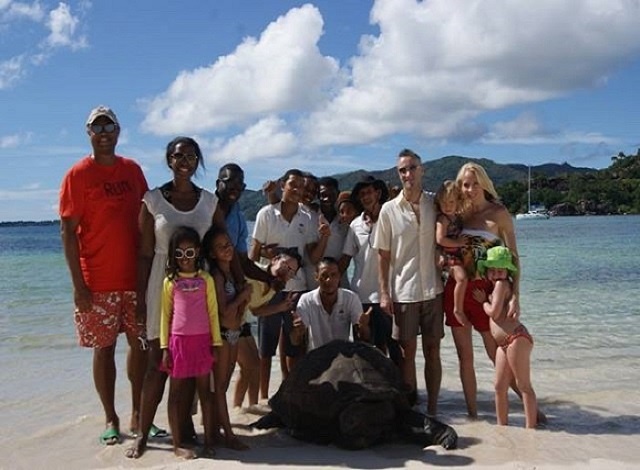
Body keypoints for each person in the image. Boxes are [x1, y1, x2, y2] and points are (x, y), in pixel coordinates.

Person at [127, 136, 225, 459]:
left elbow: (221, 245)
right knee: (157, 364)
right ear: (169, 160)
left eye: (191, 156)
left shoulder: (209, 202)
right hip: (160, 284)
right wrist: (141, 300)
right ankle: (142, 433)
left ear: (198, 162)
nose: (184, 161)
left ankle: (183, 431)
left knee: (188, 364)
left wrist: (230, 283)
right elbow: (143, 254)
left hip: (196, 291)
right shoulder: (153, 200)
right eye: (178, 155)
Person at [59, 105, 148, 446]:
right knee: (103, 351)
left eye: (109, 125)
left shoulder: (133, 171)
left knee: (140, 346)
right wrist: (78, 286)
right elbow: (67, 232)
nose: (104, 132)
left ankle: (139, 412)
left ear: (119, 130)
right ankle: (110, 418)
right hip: (95, 282)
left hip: (134, 279)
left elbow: (147, 220)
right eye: (98, 128)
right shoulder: (77, 175)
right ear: (89, 134)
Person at [444, 162, 523, 419]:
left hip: (486, 294)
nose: (470, 189)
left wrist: (515, 296)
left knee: (498, 353)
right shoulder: (459, 214)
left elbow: (514, 258)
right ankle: (473, 416)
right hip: (456, 290)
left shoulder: (498, 214)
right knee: (465, 358)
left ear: (484, 184)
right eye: (465, 185)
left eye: (475, 184)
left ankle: (528, 401)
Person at [373, 149, 444, 415]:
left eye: (412, 168)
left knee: (433, 350)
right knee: (407, 354)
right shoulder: (389, 210)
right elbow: (383, 255)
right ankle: (411, 408)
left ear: (422, 170)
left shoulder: (434, 203)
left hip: (434, 289)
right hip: (404, 290)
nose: (408, 174)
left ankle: (434, 409)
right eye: (403, 170)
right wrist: (383, 292)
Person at [249, 169, 323, 400]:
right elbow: (254, 251)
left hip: (298, 289)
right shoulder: (265, 214)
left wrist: (326, 238)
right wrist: (249, 281)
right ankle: (261, 398)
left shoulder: (308, 218)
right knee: (265, 349)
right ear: (283, 185)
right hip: (269, 289)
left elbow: (311, 256)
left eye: (301, 186)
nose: (297, 190)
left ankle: (291, 393)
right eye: (293, 185)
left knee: (296, 345)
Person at [160, 227, 220, 459]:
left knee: (206, 393)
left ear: (198, 252)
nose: (185, 259)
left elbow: (213, 312)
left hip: (203, 342)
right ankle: (177, 444)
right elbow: (165, 317)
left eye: (189, 253)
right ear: (173, 256)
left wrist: (215, 342)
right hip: (178, 344)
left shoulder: (206, 279)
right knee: (175, 394)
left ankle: (208, 441)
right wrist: (165, 348)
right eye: (179, 254)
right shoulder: (170, 281)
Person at [339, 175, 401, 366]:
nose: (366, 197)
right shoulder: (355, 225)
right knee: (364, 350)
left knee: (396, 349)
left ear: (378, 193)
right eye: (362, 194)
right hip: (361, 297)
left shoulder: (392, 218)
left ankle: (402, 391)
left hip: (390, 296)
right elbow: (345, 260)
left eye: (369, 192)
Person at [475, 246, 538, 428]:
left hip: (516, 338)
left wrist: (484, 303)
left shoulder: (502, 285)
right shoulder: (497, 287)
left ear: (507, 271)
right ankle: (502, 427)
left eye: (500, 270)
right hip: (504, 343)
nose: (496, 274)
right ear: (486, 271)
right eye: (492, 270)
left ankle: (531, 428)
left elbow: (494, 314)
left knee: (523, 385)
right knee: (499, 386)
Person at [202, 227, 251, 450]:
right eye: (221, 247)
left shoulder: (230, 272)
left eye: (229, 244)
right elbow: (224, 312)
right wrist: (243, 293)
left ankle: (216, 430)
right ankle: (228, 435)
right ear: (212, 253)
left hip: (232, 335)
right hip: (221, 336)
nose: (228, 248)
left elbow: (238, 312)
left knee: (221, 385)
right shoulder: (217, 276)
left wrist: (243, 297)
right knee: (220, 387)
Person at [235, 250, 302, 409]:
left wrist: (281, 307)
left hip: (242, 324)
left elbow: (256, 311)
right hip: (228, 323)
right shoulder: (253, 272)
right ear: (274, 260)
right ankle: (237, 408)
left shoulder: (274, 285)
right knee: (244, 367)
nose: (287, 272)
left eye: (292, 272)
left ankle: (251, 407)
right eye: (286, 266)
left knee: (254, 366)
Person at [291, 257, 370, 351]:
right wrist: (297, 331)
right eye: (324, 275)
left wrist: (364, 326)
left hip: (344, 355)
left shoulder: (351, 298)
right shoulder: (306, 300)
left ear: (339, 277)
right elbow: (295, 342)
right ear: (316, 277)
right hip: (317, 356)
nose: (329, 280)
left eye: (333, 275)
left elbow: (364, 337)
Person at [435, 180, 469, 326]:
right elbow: (440, 239)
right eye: (443, 203)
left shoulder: (458, 217)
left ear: (458, 202)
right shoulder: (443, 219)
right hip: (448, 256)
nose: (447, 206)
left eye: (451, 202)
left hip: (456, 255)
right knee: (462, 278)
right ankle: (457, 309)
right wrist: (458, 243)